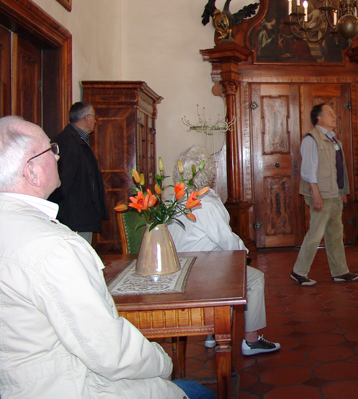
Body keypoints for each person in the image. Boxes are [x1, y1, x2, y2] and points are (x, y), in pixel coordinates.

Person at [0, 116, 207, 398]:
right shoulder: (54, 248)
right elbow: (109, 351)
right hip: (72, 387)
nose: (58, 155)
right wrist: (164, 362)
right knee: (197, 391)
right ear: (32, 172)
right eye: (51, 149)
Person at [169, 146, 280, 356]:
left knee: (225, 264)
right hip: (201, 275)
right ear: (208, 173)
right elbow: (227, 240)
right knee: (254, 278)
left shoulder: (177, 200)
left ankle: (212, 333)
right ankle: (251, 340)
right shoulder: (205, 203)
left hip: (181, 271)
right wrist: (245, 254)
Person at [291, 103, 358, 285]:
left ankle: (340, 271)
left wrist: (343, 192)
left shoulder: (335, 141)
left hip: (334, 194)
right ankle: (299, 271)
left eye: (334, 113)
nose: (334, 116)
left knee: (335, 233)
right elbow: (307, 171)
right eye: (330, 113)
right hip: (320, 194)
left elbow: (340, 170)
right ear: (319, 118)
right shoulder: (311, 139)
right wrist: (315, 194)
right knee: (316, 233)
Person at [49, 102, 107, 244]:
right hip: (74, 216)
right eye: (94, 117)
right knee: (81, 255)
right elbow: (64, 180)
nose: (95, 121)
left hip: (82, 213)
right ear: (86, 118)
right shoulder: (69, 141)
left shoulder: (78, 140)